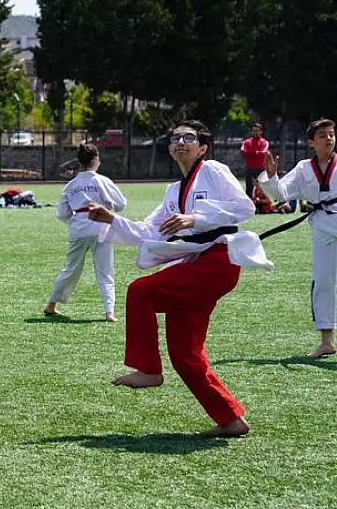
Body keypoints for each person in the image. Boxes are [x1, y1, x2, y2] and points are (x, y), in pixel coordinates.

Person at [87, 120, 270, 437]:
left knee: (141, 291)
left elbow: (244, 207)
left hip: (218, 261)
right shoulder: (173, 191)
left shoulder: (212, 170)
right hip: (194, 263)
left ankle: (148, 369)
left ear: (202, 147)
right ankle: (231, 420)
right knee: (185, 356)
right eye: (175, 138)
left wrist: (196, 218)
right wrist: (111, 218)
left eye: (189, 137)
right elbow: (148, 231)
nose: (180, 142)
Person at [258, 118, 337, 358]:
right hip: (322, 227)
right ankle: (327, 341)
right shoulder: (303, 168)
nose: (329, 138)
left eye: (332, 134)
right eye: (323, 135)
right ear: (311, 142)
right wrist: (272, 178)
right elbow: (281, 194)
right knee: (322, 282)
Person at [43, 143, 127, 321]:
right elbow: (120, 204)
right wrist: (107, 207)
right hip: (101, 226)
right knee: (105, 270)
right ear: (95, 160)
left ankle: (51, 304)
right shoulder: (102, 181)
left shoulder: (71, 185)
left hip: (78, 227)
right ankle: (109, 312)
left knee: (71, 268)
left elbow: (62, 213)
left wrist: (74, 224)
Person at [240, 122, 268, 201]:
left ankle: (263, 205)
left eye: (257, 130)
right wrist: (256, 153)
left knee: (262, 189)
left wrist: (250, 153)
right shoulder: (246, 142)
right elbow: (243, 152)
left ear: (261, 132)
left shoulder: (264, 142)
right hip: (250, 168)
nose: (254, 132)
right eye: (253, 130)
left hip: (261, 169)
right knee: (249, 188)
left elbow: (263, 153)